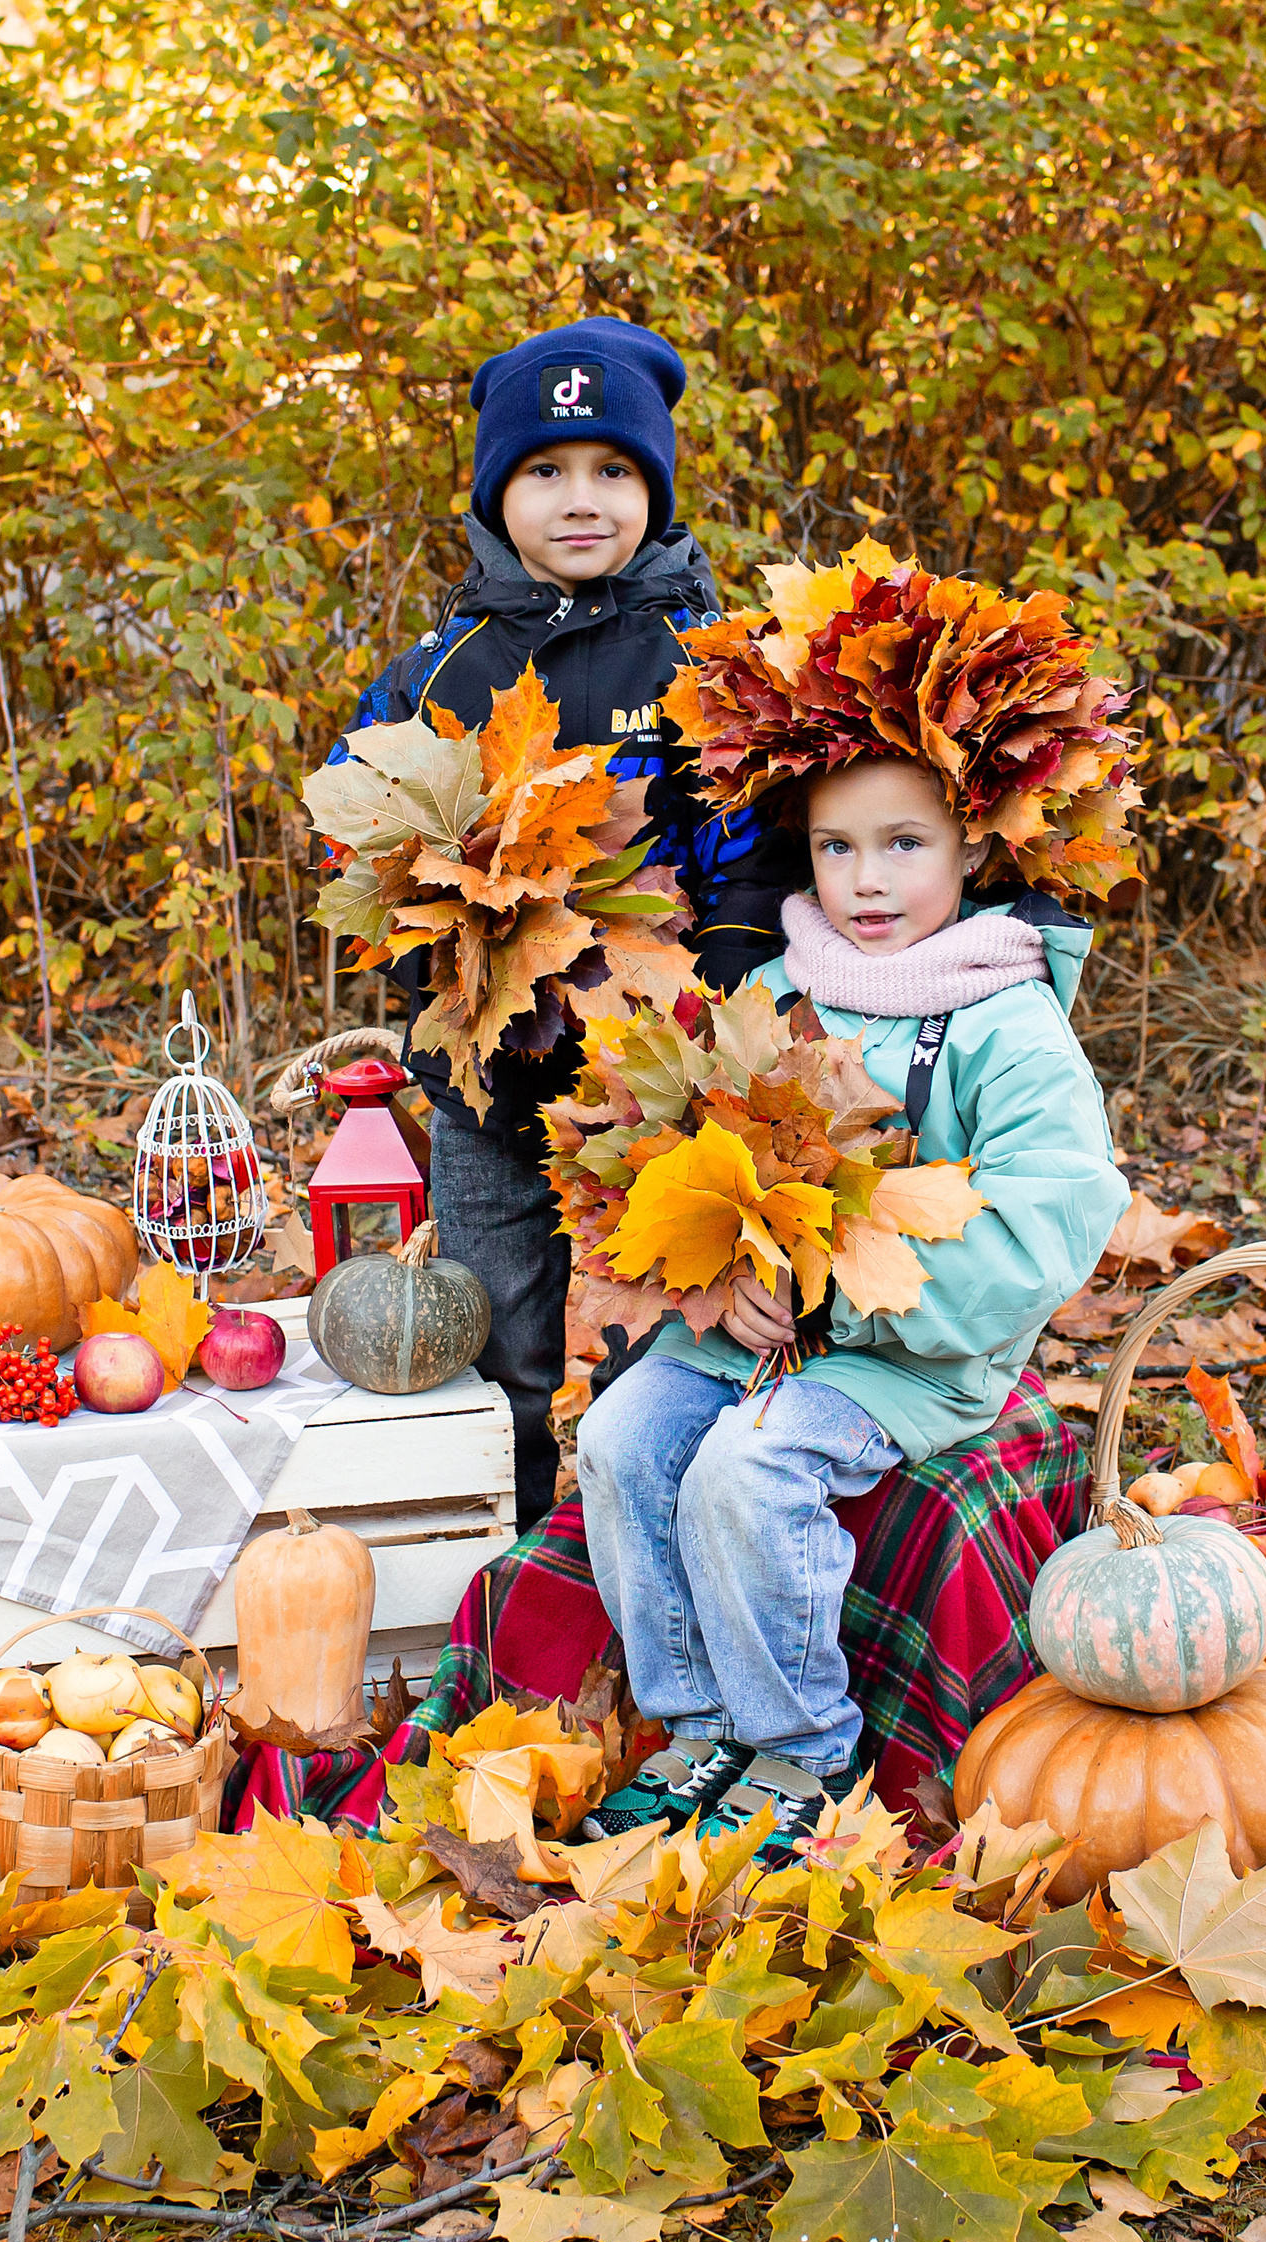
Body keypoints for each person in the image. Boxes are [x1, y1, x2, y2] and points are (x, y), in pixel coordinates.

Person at [574, 637, 1134, 1853]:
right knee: (621, 1432)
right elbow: (690, 1171)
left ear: (974, 848)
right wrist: (717, 1283)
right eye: (837, 848)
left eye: (903, 845)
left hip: (911, 1354)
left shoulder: (1004, 1018)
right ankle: (696, 1724)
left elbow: (1053, 1212)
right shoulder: (778, 990)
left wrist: (847, 1305)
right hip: (749, 1338)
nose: (867, 881)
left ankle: (797, 1751)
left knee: (748, 1468)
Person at [329, 317, 800, 1529]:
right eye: (544, 470)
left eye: (612, 470)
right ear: (496, 492)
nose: (578, 499)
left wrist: (732, 985)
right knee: (498, 1327)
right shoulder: (439, 670)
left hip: (658, 1068)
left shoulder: (707, 660)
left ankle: (648, 1541)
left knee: (660, 1331)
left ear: (654, 488)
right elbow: (369, 837)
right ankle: (511, 1546)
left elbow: (752, 849)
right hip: (486, 1066)